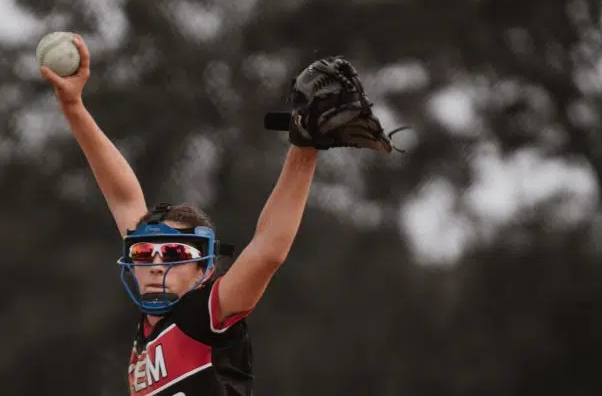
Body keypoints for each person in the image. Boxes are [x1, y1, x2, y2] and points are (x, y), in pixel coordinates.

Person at [41, 35, 393, 395]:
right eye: (144, 254)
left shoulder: (205, 313)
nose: (157, 264)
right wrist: (73, 107)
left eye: (176, 254)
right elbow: (123, 197)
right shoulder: (149, 331)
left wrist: (303, 149)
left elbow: (268, 250)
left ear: (205, 270)